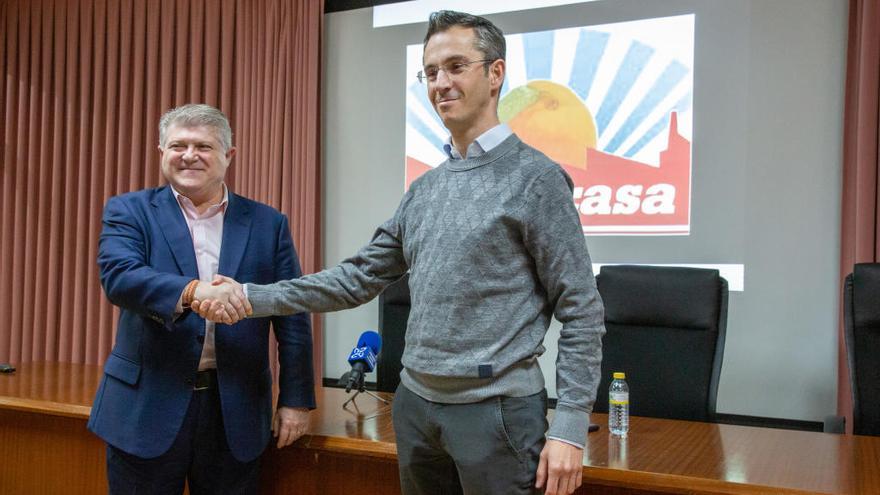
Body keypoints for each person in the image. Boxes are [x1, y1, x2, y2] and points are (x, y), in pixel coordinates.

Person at [197, 10, 605, 495]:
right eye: (430, 72)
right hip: (416, 405)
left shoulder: (536, 179)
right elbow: (357, 278)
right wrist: (250, 295)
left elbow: (581, 309)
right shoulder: (425, 189)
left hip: (496, 413)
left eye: (456, 66)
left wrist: (570, 425)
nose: (440, 83)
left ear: (496, 73)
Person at [88, 104, 316, 494]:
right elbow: (120, 277)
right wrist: (194, 292)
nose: (189, 155)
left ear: (228, 156)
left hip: (235, 411)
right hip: (145, 407)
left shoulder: (268, 223)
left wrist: (296, 399)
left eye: (204, 146)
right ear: (162, 153)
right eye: (178, 145)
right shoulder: (129, 210)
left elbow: (291, 314)